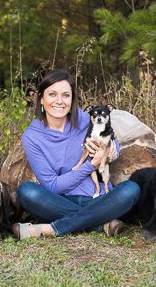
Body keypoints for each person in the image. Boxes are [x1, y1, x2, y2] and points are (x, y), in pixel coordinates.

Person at [12, 69, 140, 239]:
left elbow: (111, 141)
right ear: (41, 98)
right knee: (27, 192)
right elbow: (52, 186)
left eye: (66, 95)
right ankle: (100, 222)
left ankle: (53, 228)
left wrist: (109, 150)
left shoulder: (86, 119)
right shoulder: (32, 136)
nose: (59, 101)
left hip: (97, 198)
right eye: (52, 94)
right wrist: (90, 166)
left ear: (72, 99)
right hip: (57, 202)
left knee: (131, 189)